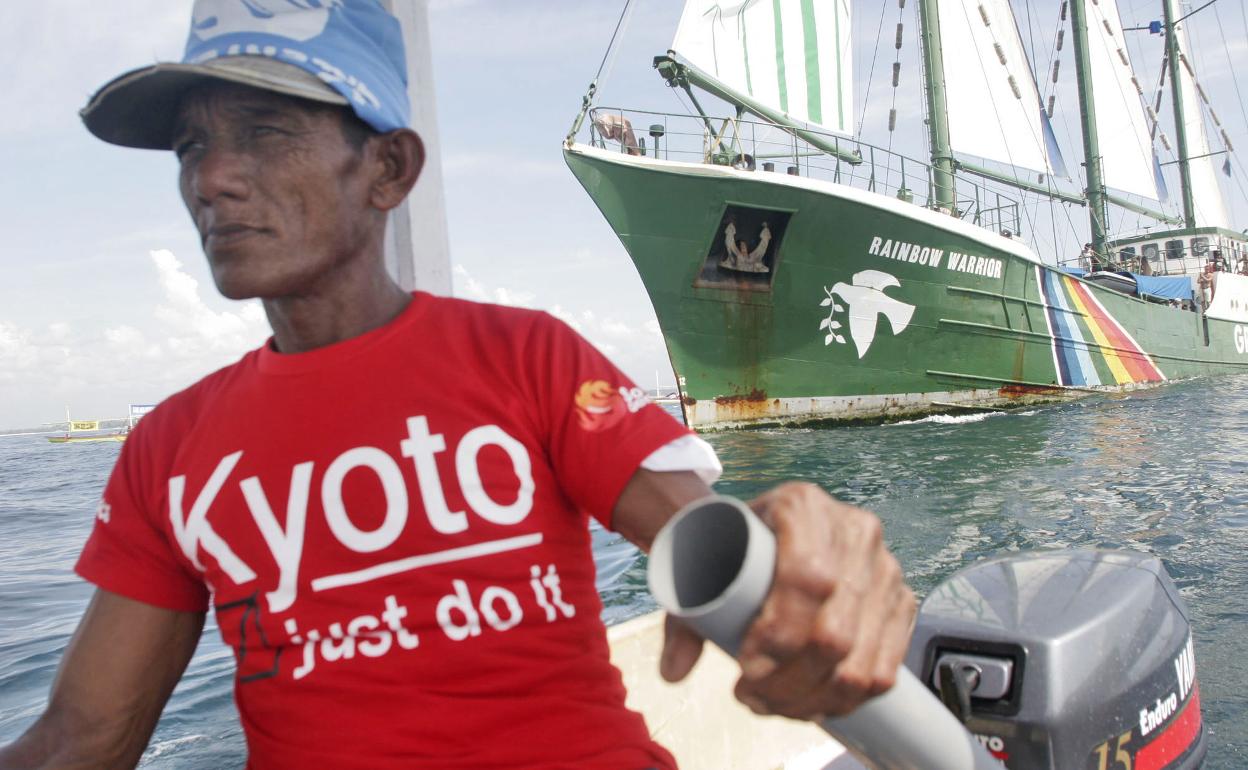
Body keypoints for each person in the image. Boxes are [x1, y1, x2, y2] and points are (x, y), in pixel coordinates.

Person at [0, 3, 913, 769]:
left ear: (389, 169)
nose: (211, 178)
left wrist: (797, 555)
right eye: (190, 146)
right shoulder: (167, 448)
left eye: (265, 132)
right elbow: (85, 734)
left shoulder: (526, 358)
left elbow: (707, 538)